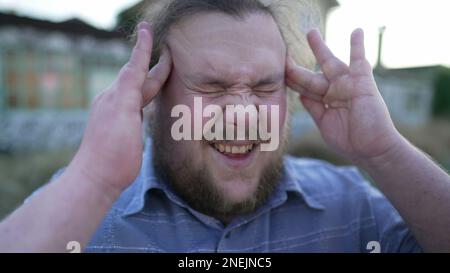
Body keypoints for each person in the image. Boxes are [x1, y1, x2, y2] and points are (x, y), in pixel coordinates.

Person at [1, 0, 450, 253]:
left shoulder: (354, 209)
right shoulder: (82, 216)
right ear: (153, 99)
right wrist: (96, 178)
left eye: (263, 86)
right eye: (212, 87)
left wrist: (385, 152)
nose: (241, 114)